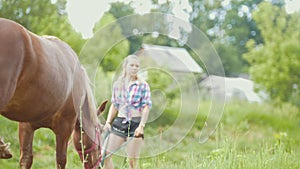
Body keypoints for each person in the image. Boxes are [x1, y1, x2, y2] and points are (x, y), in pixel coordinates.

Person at [102, 54, 152, 169]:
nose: (135, 68)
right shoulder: (118, 85)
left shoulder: (143, 85)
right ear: (125, 67)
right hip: (119, 122)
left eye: (137, 66)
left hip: (135, 124)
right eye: (132, 65)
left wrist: (141, 126)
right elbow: (114, 105)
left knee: (132, 162)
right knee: (105, 155)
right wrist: (108, 122)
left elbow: (146, 107)